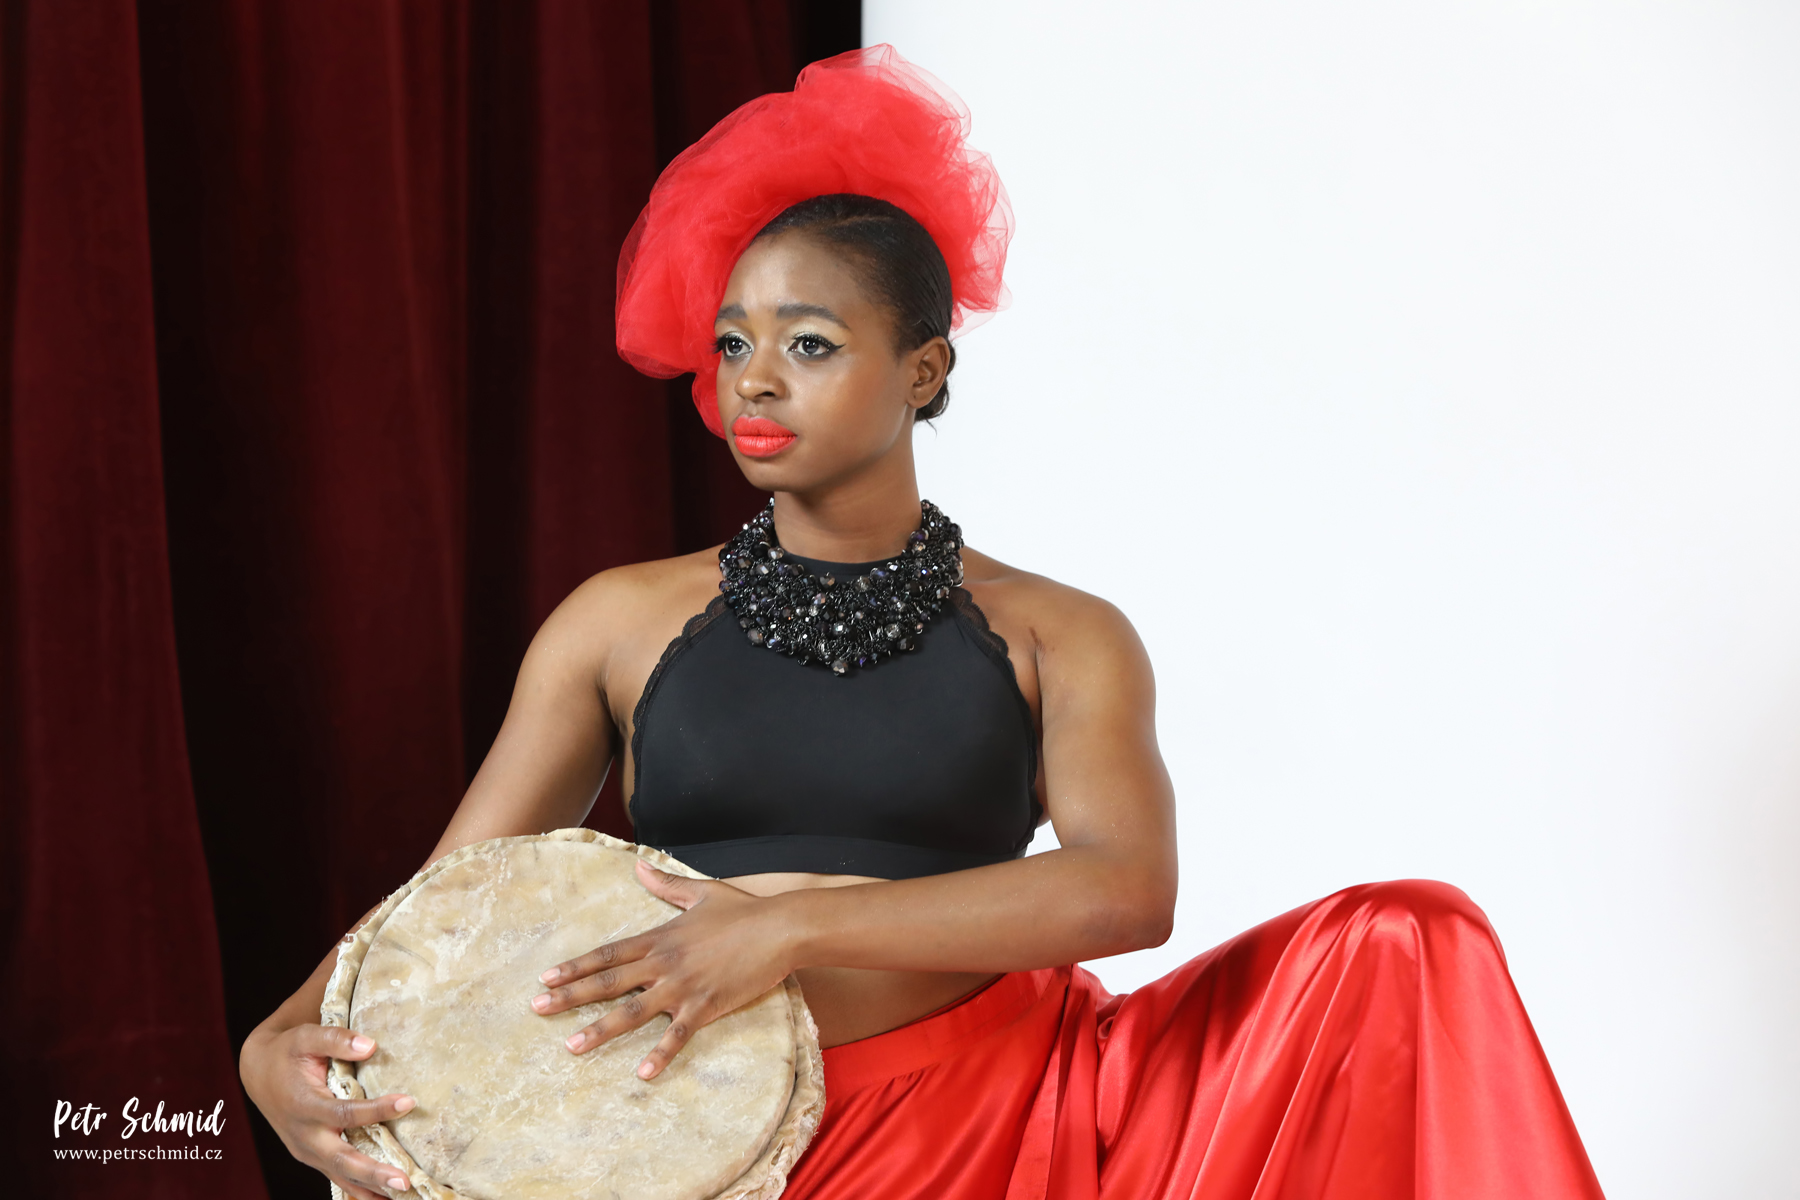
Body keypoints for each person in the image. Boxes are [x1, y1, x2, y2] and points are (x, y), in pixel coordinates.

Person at [239, 46, 1606, 1200]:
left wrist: (790, 929)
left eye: (809, 343)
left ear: (923, 368)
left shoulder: (1057, 632)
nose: (754, 380)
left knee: (1408, 938)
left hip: (1000, 1129)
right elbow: (443, 907)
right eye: (732, 343)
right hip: (680, 1147)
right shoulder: (620, 621)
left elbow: (1127, 891)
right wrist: (272, 1046)